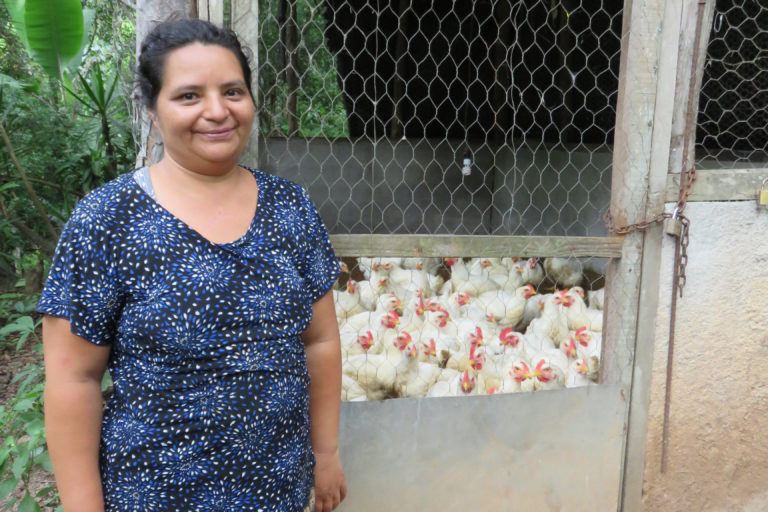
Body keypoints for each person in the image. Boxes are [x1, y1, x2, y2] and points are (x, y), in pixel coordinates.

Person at [37, 18, 346, 512]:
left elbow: (321, 340)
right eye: (188, 96)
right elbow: (74, 380)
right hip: (155, 493)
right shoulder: (107, 220)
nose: (217, 111)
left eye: (232, 91)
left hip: (277, 488)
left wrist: (326, 453)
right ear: (153, 111)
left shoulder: (291, 208)